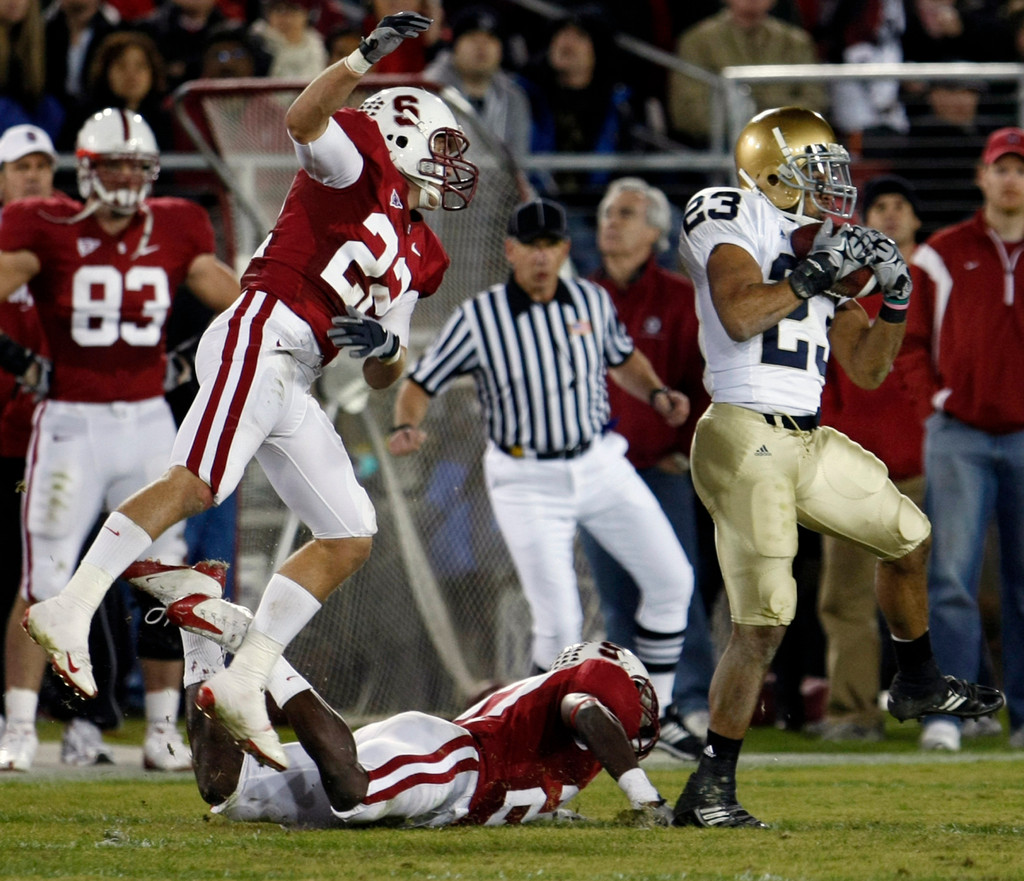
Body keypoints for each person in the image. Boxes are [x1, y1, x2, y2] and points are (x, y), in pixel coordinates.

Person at [23, 12, 479, 773]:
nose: (449, 165)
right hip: (262, 328)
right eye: (439, 147)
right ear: (399, 135)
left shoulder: (423, 250)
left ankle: (246, 679)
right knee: (197, 482)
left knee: (349, 532)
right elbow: (305, 117)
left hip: (298, 371)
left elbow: (385, 366)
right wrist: (361, 58)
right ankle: (69, 607)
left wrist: (386, 346)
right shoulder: (356, 157)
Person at [672, 105, 1003, 828]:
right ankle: (710, 788)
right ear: (773, 171)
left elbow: (869, 369)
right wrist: (818, 271)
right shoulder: (727, 211)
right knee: (764, 620)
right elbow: (738, 311)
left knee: (909, 535)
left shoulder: (811, 243)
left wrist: (895, 301)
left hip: (807, 437)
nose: (832, 185)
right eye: (818, 170)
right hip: (740, 430)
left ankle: (915, 682)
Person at [389, 196, 694, 726]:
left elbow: (623, 359)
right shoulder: (480, 317)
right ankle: (532, 736)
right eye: (530, 245)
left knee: (673, 581)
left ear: (564, 249)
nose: (541, 256)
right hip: (526, 476)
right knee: (559, 624)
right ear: (510, 250)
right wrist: (407, 423)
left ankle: (656, 717)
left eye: (550, 244)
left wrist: (658, 392)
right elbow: (422, 380)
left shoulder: (591, 301)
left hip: (598, 462)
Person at [0, 108, 239, 773]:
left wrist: (198, 358)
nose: (127, 179)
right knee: (42, 578)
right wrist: (15, 357)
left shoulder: (177, 224)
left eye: (138, 167)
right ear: (87, 169)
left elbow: (240, 305)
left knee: (164, 578)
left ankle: (162, 730)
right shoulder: (41, 224)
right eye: (114, 166)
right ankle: (19, 723)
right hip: (70, 424)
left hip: (146, 424)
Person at [185, 631, 675, 828]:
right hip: (458, 761)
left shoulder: (560, 731)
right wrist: (645, 799)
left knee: (228, 791)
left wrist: (547, 813)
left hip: (441, 756)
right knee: (359, 794)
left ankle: (197, 633)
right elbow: (587, 710)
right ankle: (263, 651)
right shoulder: (592, 685)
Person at [577, 176, 715, 759]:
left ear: (657, 234)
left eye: (628, 213)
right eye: (609, 211)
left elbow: (702, 381)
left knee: (674, 582)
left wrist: (686, 450)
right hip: (595, 472)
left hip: (659, 470)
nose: (612, 222)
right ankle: (631, 708)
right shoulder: (578, 297)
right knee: (616, 595)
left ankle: (690, 703)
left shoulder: (681, 298)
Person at [899, 127, 1024, 752]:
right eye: (1000, 168)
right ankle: (948, 713)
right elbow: (912, 341)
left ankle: (1020, 717)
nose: (1010, 179)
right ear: (981, 176)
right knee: (950, 576)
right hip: (960, 434)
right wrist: (935, 407)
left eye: (1019, 169)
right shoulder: (941, 254)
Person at [814, 174, 924, 743]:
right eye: (878, 205)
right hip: (849, 466)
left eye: (900, 205)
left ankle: (945, 710)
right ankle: (853, 712)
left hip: (919, 462)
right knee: (845, 597)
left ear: (915, 221)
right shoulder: (839, 284)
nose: (888, 214)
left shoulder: (931, 278)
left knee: (954, 591)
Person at [0, 124, 58, 743]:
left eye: (43, 165)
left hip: (42, 444)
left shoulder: (62, 246)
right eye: (22, 166)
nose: (34, 175)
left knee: (46, 580)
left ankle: (77, 716)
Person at [666, 0, 828, 148]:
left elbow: (815, 100)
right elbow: (688, 111)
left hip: (790, 144)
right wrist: (747, 124)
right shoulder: (697, 41)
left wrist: (767, 121)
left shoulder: (796, 42)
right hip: (721, 147)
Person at [423, 4, 532, 162]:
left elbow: (518, 159)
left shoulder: (514, 97)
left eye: (490, 39)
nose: (482, 47)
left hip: (500, 186)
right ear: (455, 46)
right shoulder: (429, 90)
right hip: (442, 184)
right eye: (472, 38)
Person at [250, 0, 329, 80]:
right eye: (278, 9)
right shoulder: (256, 44)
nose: (285, 17)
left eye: (293, 9)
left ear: (307, 14)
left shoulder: (318, 46)